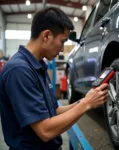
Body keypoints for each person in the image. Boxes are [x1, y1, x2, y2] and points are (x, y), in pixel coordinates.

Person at [0, 7, 108, 150]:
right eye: (62, 42)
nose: (63, 49)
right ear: (46, 36)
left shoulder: (38, 65)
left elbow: (53, 111)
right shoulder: (19, 70)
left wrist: (85, 100)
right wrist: (86, 104)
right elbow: (45, 130)